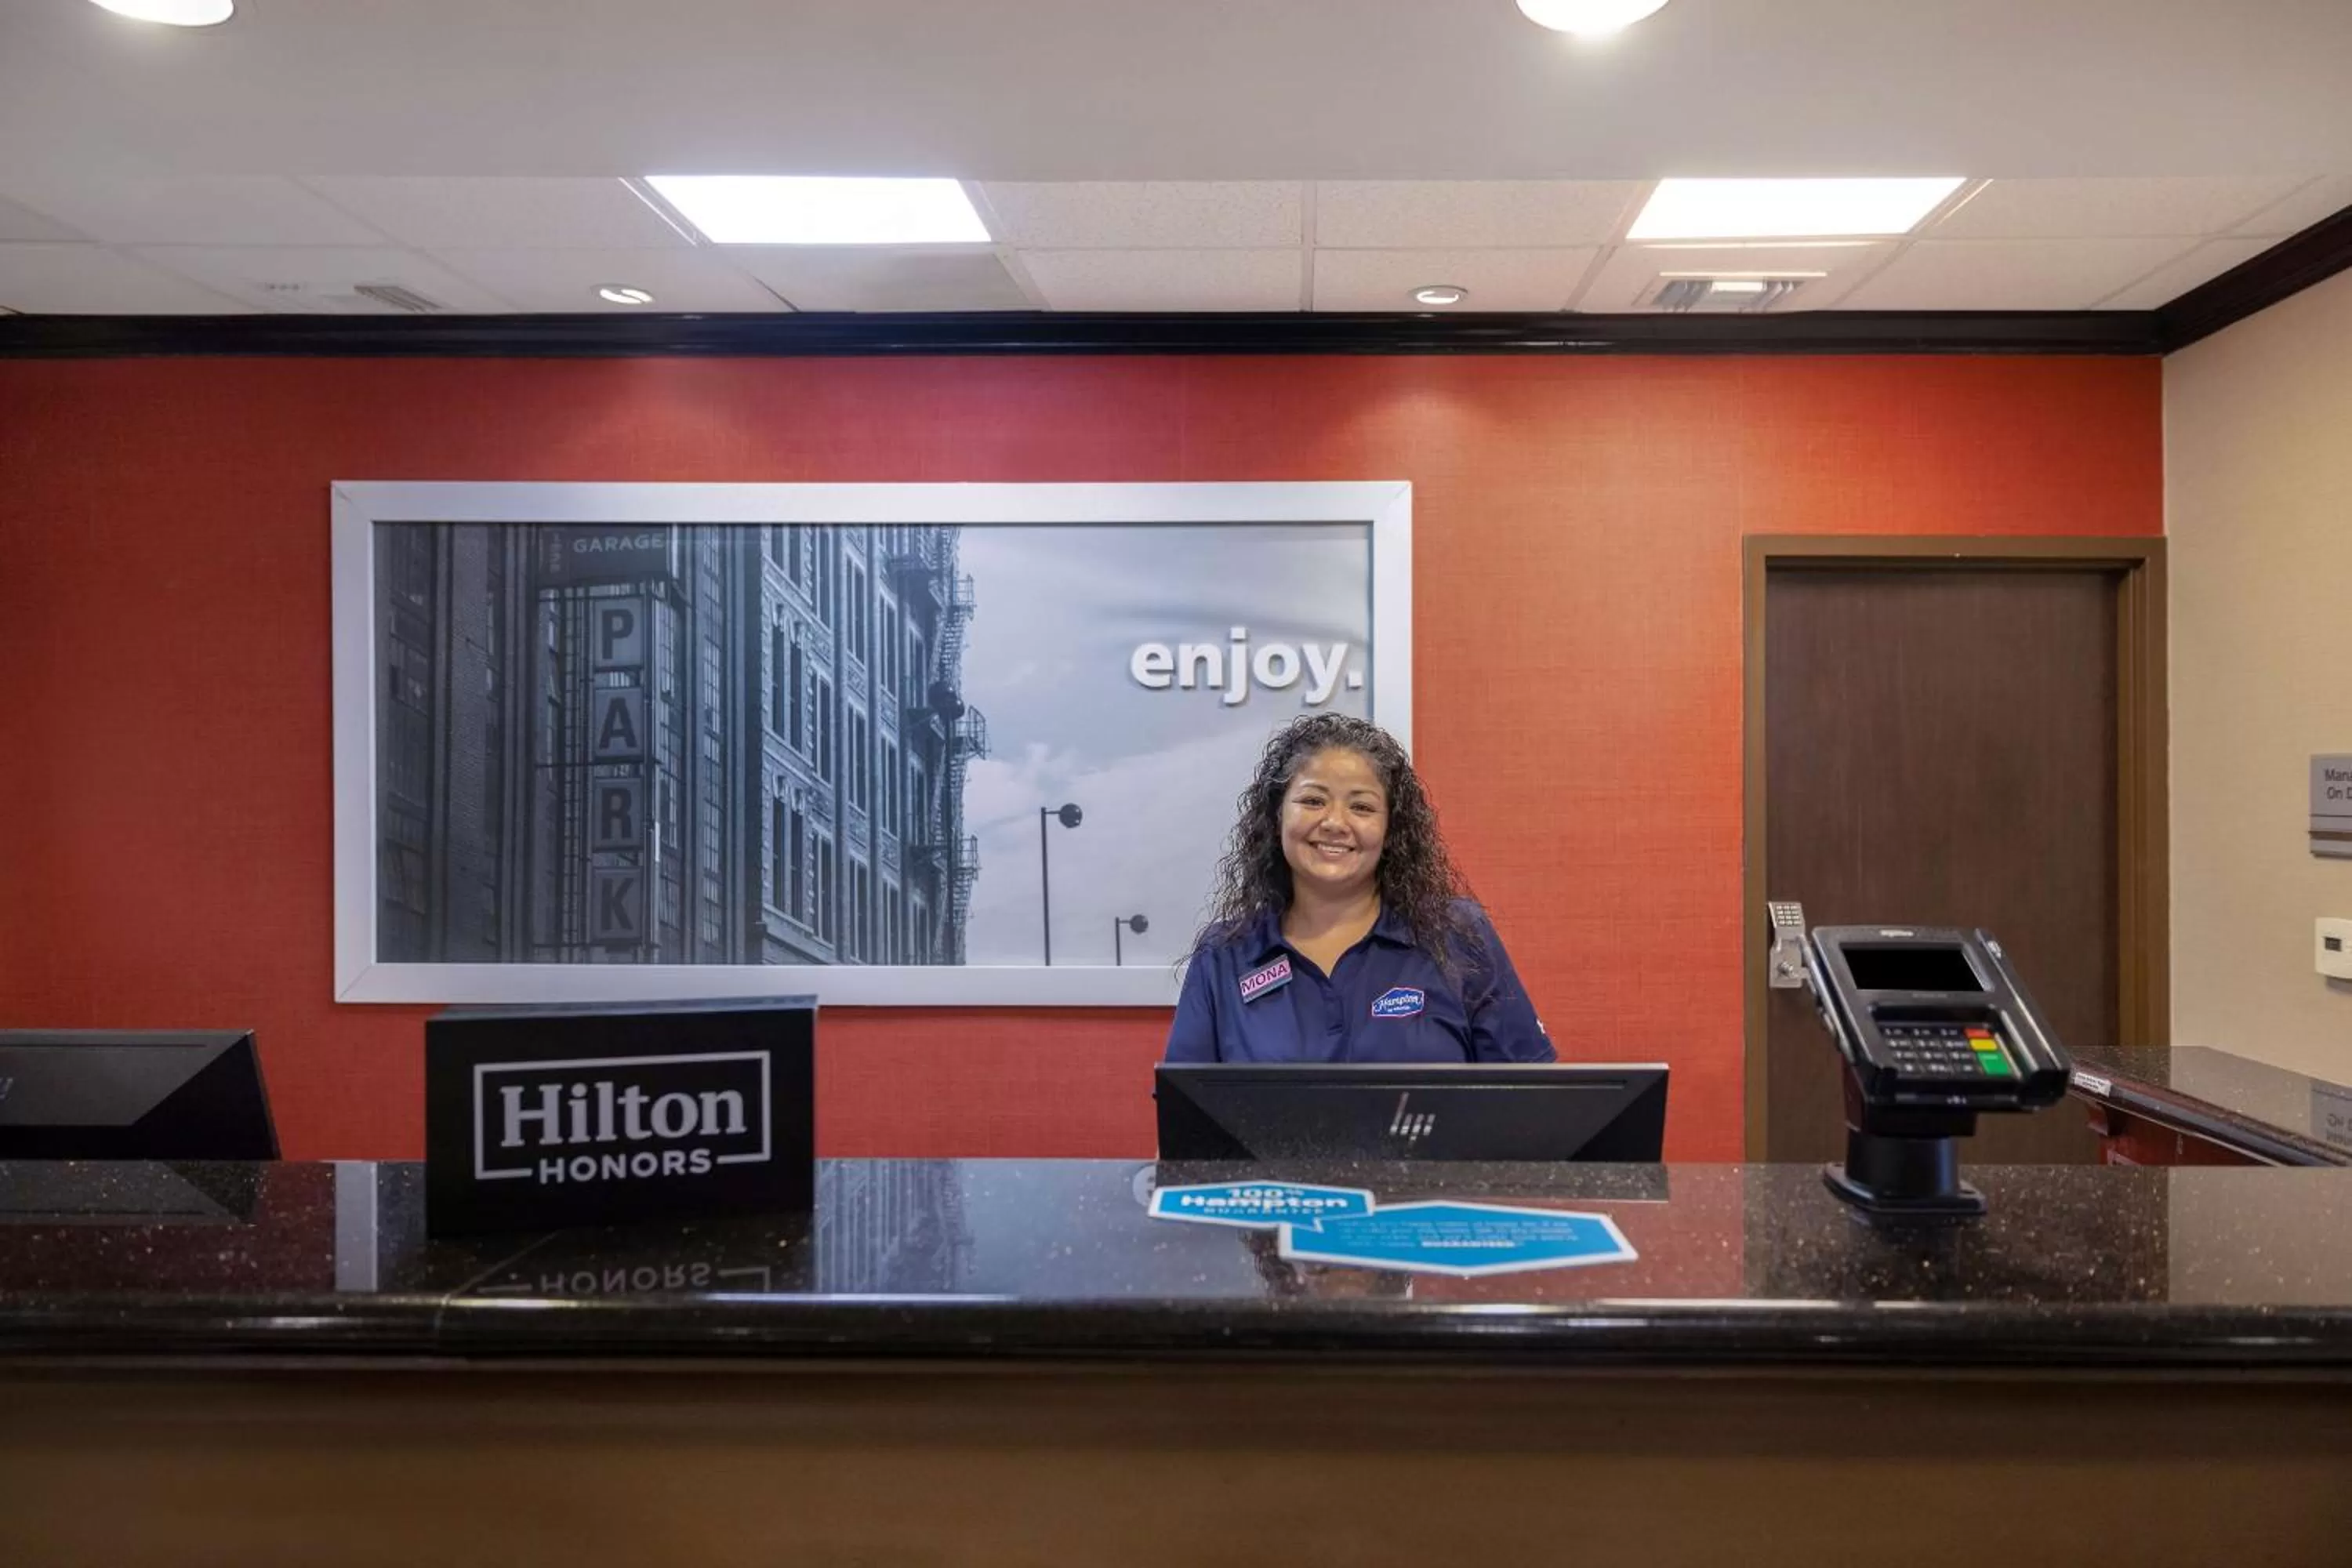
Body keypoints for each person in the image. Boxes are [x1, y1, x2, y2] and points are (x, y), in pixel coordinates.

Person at [1164, 713, 1554, 1064]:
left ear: (1391, 831)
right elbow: (1186, 1128)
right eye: (1313, 800)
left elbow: (1530, 1102)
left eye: (1362, 807)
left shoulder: (1457, 935)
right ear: (1277, 816)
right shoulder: (1224, 955)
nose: (1335, 822)